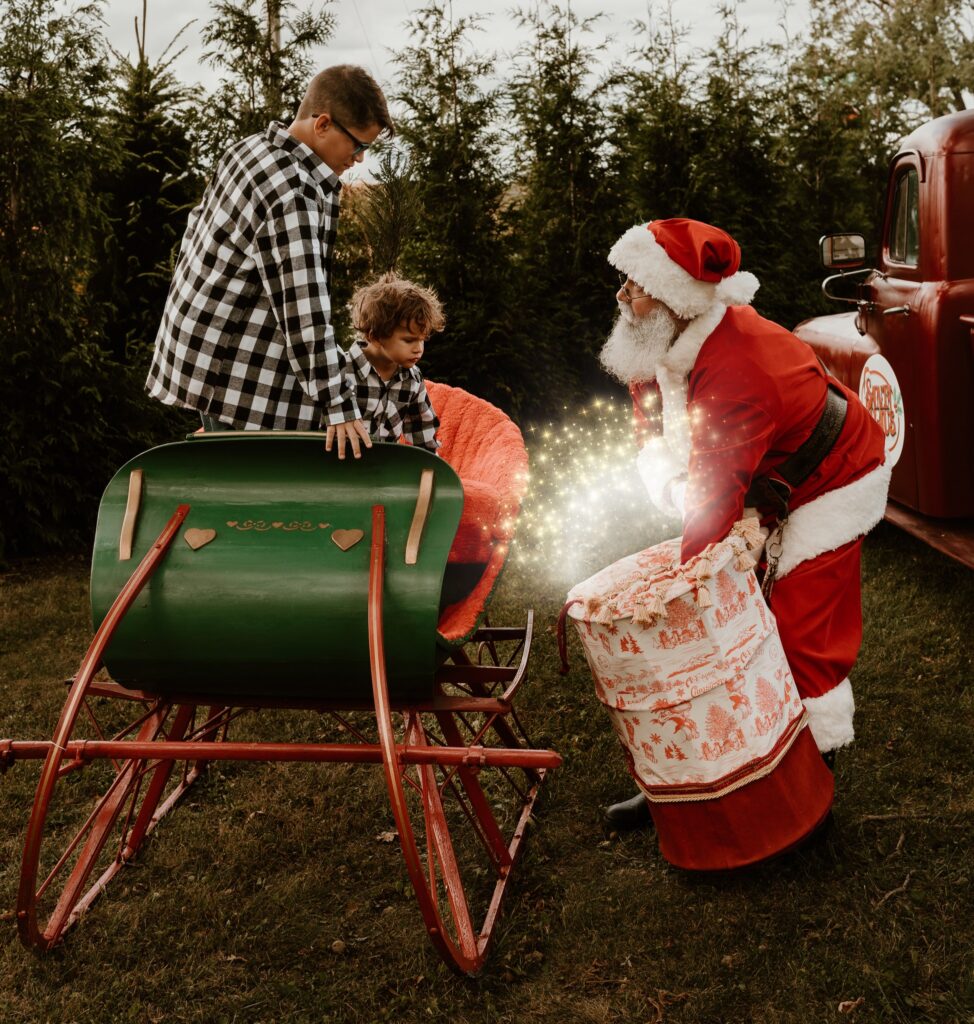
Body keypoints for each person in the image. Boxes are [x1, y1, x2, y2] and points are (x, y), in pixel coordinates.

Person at [598, 217, 891, 828]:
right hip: (768, 475)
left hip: (834, 478)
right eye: (623, 282)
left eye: (636, 285)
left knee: (799, 630)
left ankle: (807, 795)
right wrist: (663, 471)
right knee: (741, 618)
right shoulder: (662, 333)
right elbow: (650, 412)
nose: (623, 296)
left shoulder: (739, 369)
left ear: (676, 295)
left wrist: (679, 595)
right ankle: (708, 773)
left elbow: (713, 497)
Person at [146, 65, 394, 458]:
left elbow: (195, 230)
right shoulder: (291, 192)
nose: (360, 159)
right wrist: (338, 405)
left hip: (208, 354)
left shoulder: (250, 150)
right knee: (253, 501)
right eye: (357, 145)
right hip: (234, 371)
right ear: (323, 124)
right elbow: (304, 309)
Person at [345, 272, 445, 453]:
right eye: (409, 340)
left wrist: (431, 469)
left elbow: (423, 437)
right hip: (335, 469)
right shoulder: (340, 370)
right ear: (374, 336)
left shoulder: (412, 380)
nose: (418, 349)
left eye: (422, 340)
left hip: (382, 472)